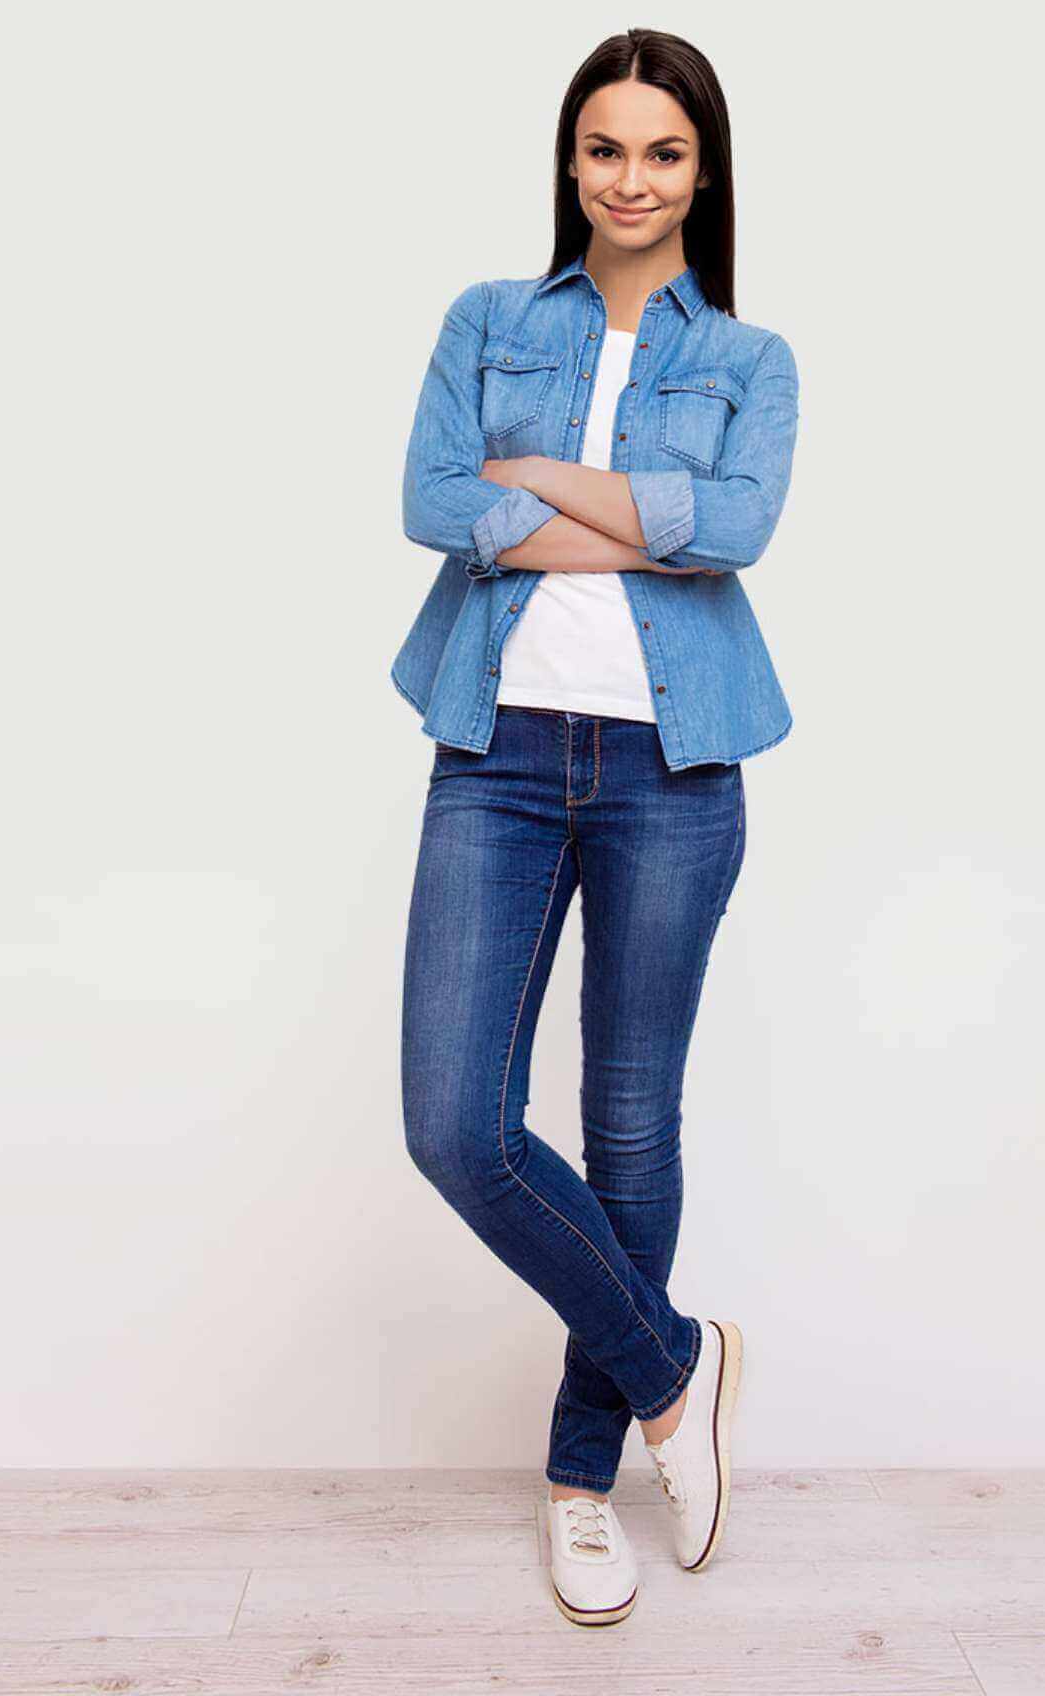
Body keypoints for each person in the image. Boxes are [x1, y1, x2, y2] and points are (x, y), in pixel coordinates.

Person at [386, 28, 798, 1630]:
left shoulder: (751, 358)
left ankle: (581, 1482)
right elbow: (431, 496)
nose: (629, 181)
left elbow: (741, 529)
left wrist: (542, 485)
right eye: (603, 149)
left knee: (628, 1129)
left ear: (702, 171)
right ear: (568, 162)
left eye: (662, 153)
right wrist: (644, 518)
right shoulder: (488, 317)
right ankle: (675, 1371)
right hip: (492, 754)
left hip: (672, 769)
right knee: (455, 1126)